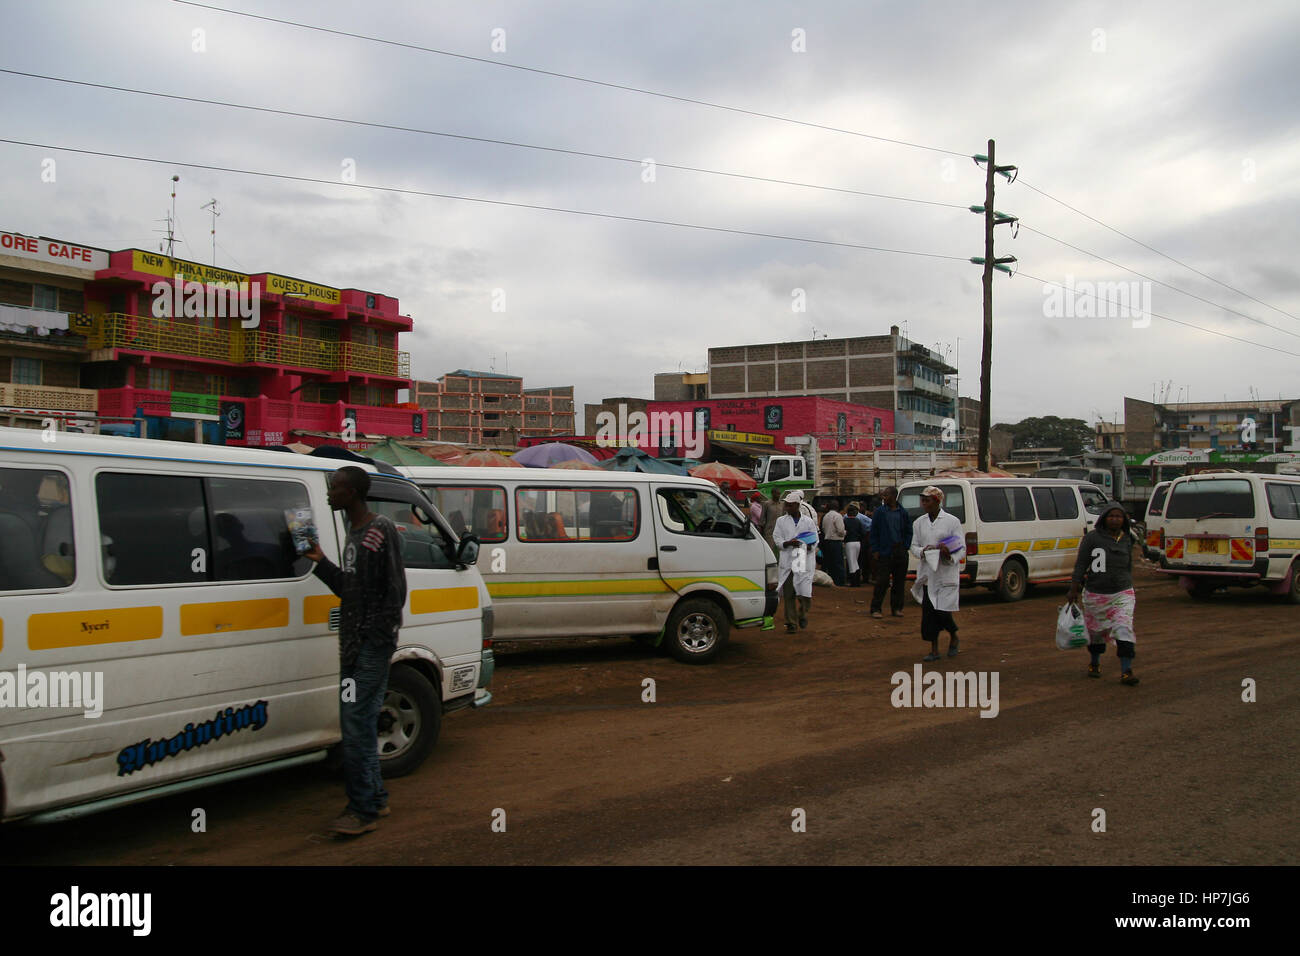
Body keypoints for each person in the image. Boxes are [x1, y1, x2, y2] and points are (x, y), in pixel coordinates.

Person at [304, 466, 408, 836]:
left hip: (369, 647)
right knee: (356, 723)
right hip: (352, 647)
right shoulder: (353, 534)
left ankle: (361, 808)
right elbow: (350, 589)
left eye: (336, 489)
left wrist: (376, 640)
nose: (330, 494)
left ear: (353, 493)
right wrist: (319, 561)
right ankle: (375, 800)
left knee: (356, 725)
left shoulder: (380, 530)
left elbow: (395, 591)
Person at [1067, 501, 1140, 685]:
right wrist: (1074, 587)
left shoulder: (1128, 538)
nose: (1115, 520)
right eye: (1111, 516)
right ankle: (1094, 662)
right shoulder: (1092, 538)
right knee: (1096, 633)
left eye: (1118, 516)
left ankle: (1126, 670)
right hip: (1096, 594)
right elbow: (1081, 564)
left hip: (1122, 592)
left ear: (1124, 520)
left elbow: (1129, 564)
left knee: (1124, 628)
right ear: (1104, 519)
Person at [910, 486, 965, 661]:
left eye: (928, 500)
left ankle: (954, 635)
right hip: (928, 574)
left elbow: (961, 547)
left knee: (943, 611)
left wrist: (949, 553)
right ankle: (934, 650)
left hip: (945, 572)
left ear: (937, 501)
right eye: (923, 500)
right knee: (929, 614)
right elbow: (913, 545)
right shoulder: (919, 523)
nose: (924, 504)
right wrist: (923, 551)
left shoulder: (952, 521)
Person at [771, 491, 818, 633]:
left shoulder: (808, 522)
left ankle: (803, 613)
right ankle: (791, 623)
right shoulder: (781, 521)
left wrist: (808, 546)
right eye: (786, 505)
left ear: (797, 505)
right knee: (789, 593)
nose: (787, 508)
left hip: (803, 559)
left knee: (803, 593)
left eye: (790, 506)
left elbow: (815, 540)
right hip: (788, 560)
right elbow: (777, 539)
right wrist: (787, 543)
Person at [869, 486, 914, 619]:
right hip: (885, 552)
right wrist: (875, 549)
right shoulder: (880, 512)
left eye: (886, 495)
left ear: (894, 496)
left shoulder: (902, 512)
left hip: (900, 551)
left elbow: (908, 530)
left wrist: (905, 546)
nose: (884, 498)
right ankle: (876, 608)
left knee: (899, 582)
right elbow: (874, 532)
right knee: (882, 582)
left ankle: (897, 608)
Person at [821, 499, 847, 586]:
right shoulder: (838, 516)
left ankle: (832, 581)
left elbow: (824, 529)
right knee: (839, 563)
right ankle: (840, 582)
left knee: (830, 562)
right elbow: (840, 530)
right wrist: (845, 533)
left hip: (827, 541)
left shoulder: (826, 516)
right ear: (837, 507)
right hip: (836, 542)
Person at [843, 502, 864, 587]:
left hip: (849, 543)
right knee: (855, 562)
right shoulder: (858, 521)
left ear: (847, 513)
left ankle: (853, 582)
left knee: (851, 562)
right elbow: (862, 532)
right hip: (857, 543)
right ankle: (857, 581)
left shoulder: (845, 521)